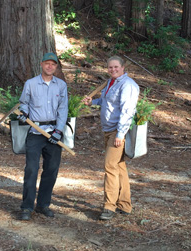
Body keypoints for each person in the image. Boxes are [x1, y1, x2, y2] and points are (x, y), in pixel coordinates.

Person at [82, 56, 139, 220]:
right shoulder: (111, 83)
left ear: (123, 67)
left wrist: (120, 134)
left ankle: (109, 207)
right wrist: (93, 102)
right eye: (110, 67)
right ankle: (125, 205)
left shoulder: (128, 85)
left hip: (117, 131)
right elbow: (107, 102)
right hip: (108, 130)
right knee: (119, 167)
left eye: (116, 67)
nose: (113, 70)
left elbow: (127, 111)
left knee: (110, 166)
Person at [17, 52, 68, 220]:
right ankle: (26, 207)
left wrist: (58, 131)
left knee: (51, 170)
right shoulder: (31, 84)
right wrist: (23, 113)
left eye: (53, 64)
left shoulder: (60, 85)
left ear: (56, 67)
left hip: (54, 133)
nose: (50, 66)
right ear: (41, 64)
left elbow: (63, 109)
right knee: (31, 169)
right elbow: (24, 103)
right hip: (35, 132)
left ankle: (43, 205)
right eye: (47, 63)